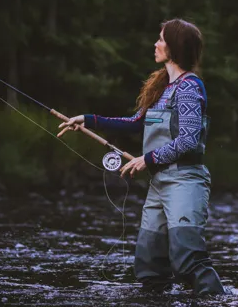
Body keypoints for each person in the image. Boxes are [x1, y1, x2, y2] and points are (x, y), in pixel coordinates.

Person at [57, 19, 225, 294]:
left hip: (185, 182)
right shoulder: (163, 88)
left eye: (161, 39)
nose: (156, 44)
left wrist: (146, 159)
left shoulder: (189, 88)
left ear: (175, 47)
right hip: (159, 183)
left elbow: (188, 140)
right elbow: (135, 123)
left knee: (187, 259)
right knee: (149, 263)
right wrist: (87, 120)